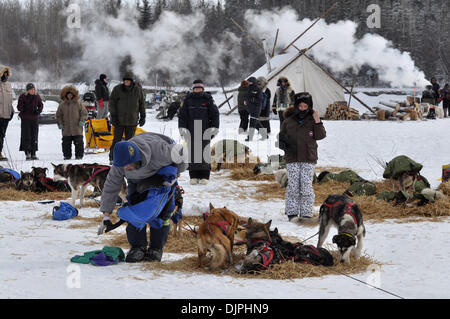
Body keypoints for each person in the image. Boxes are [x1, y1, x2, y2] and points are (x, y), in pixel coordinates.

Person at [98, 132, 187, 263]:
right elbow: (112, 185)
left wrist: (175, 174)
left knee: (161, 214)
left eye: (128, 165)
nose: (125, 168)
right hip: (136, 180)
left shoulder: (160, 152)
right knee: (134, 208)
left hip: (160, 175)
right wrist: (106, 214)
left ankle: (156, 249)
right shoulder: (120, 164)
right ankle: (137, 247)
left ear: (136, 157)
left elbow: (182, 153)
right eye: (122, 166)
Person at [278, 92, 326, 221]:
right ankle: (292, 213)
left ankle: (306, 213)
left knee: (306, 186)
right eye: (301, 106)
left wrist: (317, 120)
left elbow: (320, 136)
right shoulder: (288, 121)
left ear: (309, 106)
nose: (303, 109)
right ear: (296, 106)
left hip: (308, 158)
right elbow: (280, 138)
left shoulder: (312, 120)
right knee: (293, 185)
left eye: (306, 106)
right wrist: (284, 144)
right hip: (292, 158)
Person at [178, 79, 219, 185]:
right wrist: (182, 129)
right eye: (196, 88)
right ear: (193, 89)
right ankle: (194, 176)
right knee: (192, 153)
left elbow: (215, 115)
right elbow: (182, 116)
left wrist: (214, 128)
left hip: (205, 129)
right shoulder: (187, 99)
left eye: (199, 88)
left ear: (202, 89)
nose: (197, 90)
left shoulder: (208, 99)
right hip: (190, 130)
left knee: (204, 153)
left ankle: (205, 176)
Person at [109, 71, 146, 164]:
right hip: (119, 120)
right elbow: (112, 103)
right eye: (125, 81)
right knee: (117, 140)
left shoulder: (138, 90)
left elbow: (142, 104)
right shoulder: (117, 89)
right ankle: (113, 158)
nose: (126, 82)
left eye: (128, 81)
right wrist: (113, 116)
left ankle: (129, 158)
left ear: (131, 81)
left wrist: (143, 116)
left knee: (130, 142)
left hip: (132, 120)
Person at [56, 86, 88, 160]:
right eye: (68, 94)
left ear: (74, 95)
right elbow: (58, 115)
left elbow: (84, 113)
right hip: (66, 129)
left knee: (79, 143)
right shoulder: (62, 105)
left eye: (71, 94)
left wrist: (82, 120)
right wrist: (60, 123)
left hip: (77, 128)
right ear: (65, 95)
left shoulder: (78, 104)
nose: (69, 96)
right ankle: (67, 155)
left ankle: (79, 155)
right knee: (66, 143)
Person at [17, 83, 43, 160]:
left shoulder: (37, 96)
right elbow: (19, 107)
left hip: (34, 118)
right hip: (25, 119)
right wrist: (23, 108)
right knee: (26, 136)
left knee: (34, 136)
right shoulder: (23, 96)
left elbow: (41, 105)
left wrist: (38, 111)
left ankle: (33, 153)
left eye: (33, 89)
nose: (32, 91)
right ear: (27, 90)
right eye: (31, 89)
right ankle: (27, 152)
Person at [244, 77, 266, 142]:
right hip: (250, 109)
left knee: (252, 123)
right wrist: (245, 100)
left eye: (250, 82)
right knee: (255, 123)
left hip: (256, 109)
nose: (249, 83)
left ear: (253, 82)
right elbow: (247, 96)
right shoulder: (248, 88)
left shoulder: (258, 89)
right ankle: (265, 135)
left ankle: (249, 137)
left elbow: (260, 99)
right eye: (248, 82)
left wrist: (250, 100)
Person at [0, 65, 14, 161]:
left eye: (6, 73)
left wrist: (11, 111)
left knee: (2, 135)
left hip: (6, 115)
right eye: (3, 73)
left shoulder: (9, 85)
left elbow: (10, 99)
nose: (5, 75)